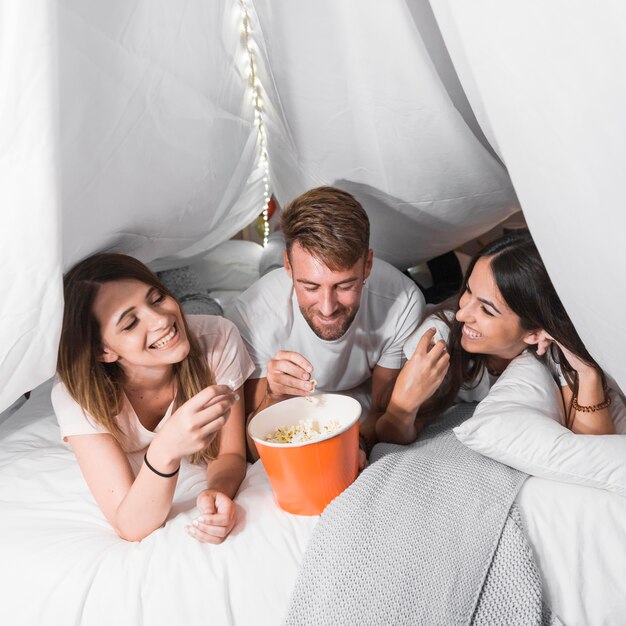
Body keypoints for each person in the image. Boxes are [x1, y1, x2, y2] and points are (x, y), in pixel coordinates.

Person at [52, 253, 254, 543]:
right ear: (103, 351)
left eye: (157, 298)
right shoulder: (75, 392)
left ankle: (177, 276)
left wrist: (217, 492)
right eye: (130, 323)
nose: (160, 319)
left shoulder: (219, 337)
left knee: (198, 304)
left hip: (196, 322)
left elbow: (229, 454)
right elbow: (131, 526)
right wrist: (165, 450)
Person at [228, 186, 425, 461]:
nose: (327, 307)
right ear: (288, 266)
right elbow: (252, 447)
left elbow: (382, 410)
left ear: (367, 265)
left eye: (345, 285)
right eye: (310, 286)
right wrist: (273, 396)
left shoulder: (403, 301)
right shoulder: (251, 314)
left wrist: (357, 447)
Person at [376, 229, 619, 444]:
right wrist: (403, 408)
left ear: (534, 333)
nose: (464, 314)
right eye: (469, 290)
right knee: (437, 278)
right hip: (438, 298)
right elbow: (389, 431)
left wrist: (587, 373)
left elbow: (595, 447)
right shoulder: (438, 336)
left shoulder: (552, 347)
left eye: (487, 310)